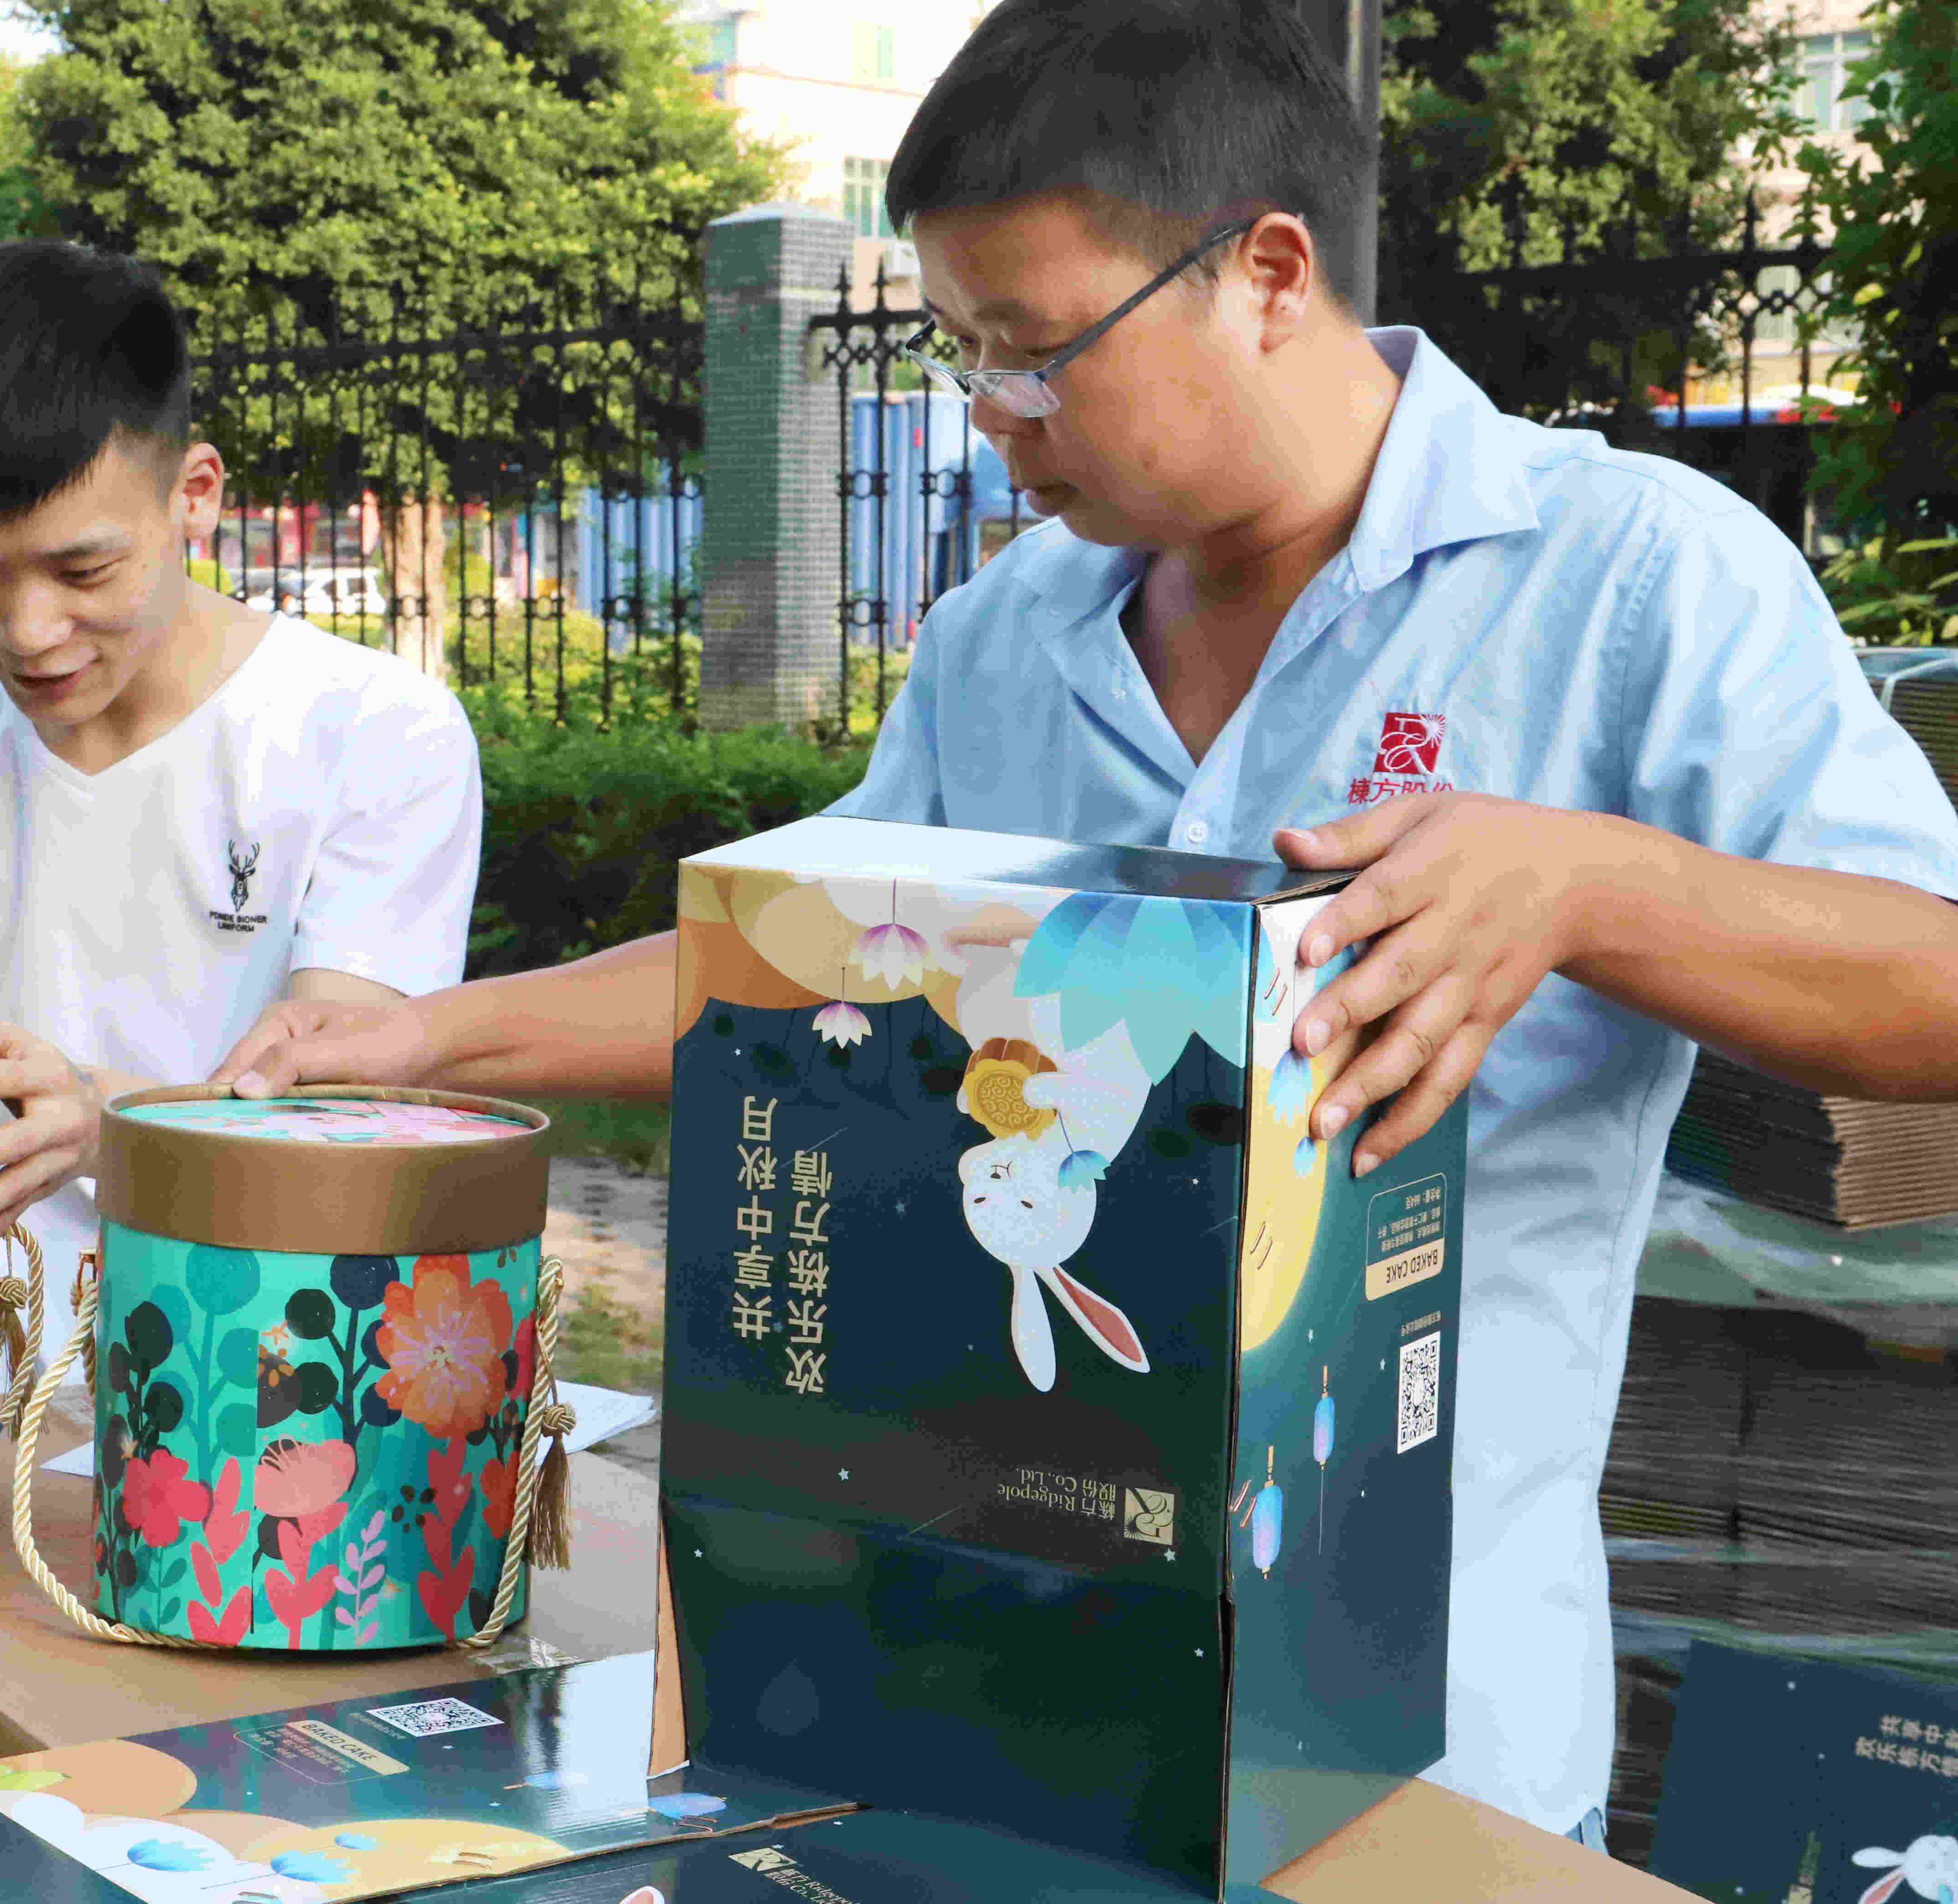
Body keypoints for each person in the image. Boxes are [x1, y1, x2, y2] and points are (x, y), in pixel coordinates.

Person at [215, 0, 1958, 1847]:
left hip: (1407, 1731)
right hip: (978, 1680)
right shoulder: (1007, 636)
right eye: (960, 352)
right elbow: (801, 964)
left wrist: (1587, 885)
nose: (992, 415)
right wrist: (429, 1036)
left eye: (1037, 353)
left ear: (1266, 274)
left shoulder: (1622, 577)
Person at [0, 239, 483, 1363]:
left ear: (194, 496)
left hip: (262, 1365)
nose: (28, 629)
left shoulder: (375, 734)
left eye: (82, 572)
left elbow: (341, 1120)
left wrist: (114, 1122)